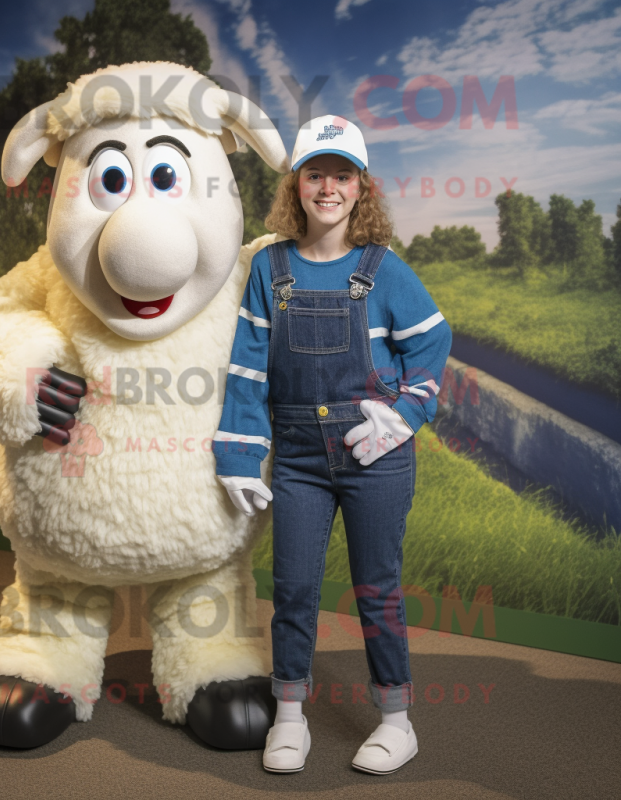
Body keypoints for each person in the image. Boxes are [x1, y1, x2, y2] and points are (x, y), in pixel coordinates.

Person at [212, 115, 453, 775]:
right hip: (297, 462)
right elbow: (247, 370)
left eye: (341, 174)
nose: (328, 186)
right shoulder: (271, 268)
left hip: (377, 459)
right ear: (297, 185)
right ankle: (289, 716)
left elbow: (433, 342)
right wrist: (237, 455)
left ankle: (396, 722)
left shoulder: (384, 270)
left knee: (377, 590)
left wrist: (404, 415)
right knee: (291, 588)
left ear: (360, 188)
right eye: (316, 173)